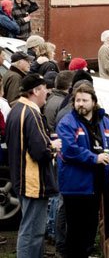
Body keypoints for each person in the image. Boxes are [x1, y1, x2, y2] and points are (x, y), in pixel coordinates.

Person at [56, 83, 109, 258]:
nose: (80, 104)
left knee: (91, 228)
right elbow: (69, 150)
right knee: (76, 231)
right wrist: (94, 158)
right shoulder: (67, 123)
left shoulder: (103, 120)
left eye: (84, 100)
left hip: (97, 184)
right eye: (77, 100)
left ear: (94, 101)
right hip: (75, 186)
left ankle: (86, 252)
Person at [6, 73, 62, 258]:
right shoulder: (31, 113)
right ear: (36, 90)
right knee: (32, 231)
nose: (46, 92)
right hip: (33, 181)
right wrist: (53, 147)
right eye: (44, 88)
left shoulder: (16, 109)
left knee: (31, 229)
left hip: (21, 178)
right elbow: (40, 151)